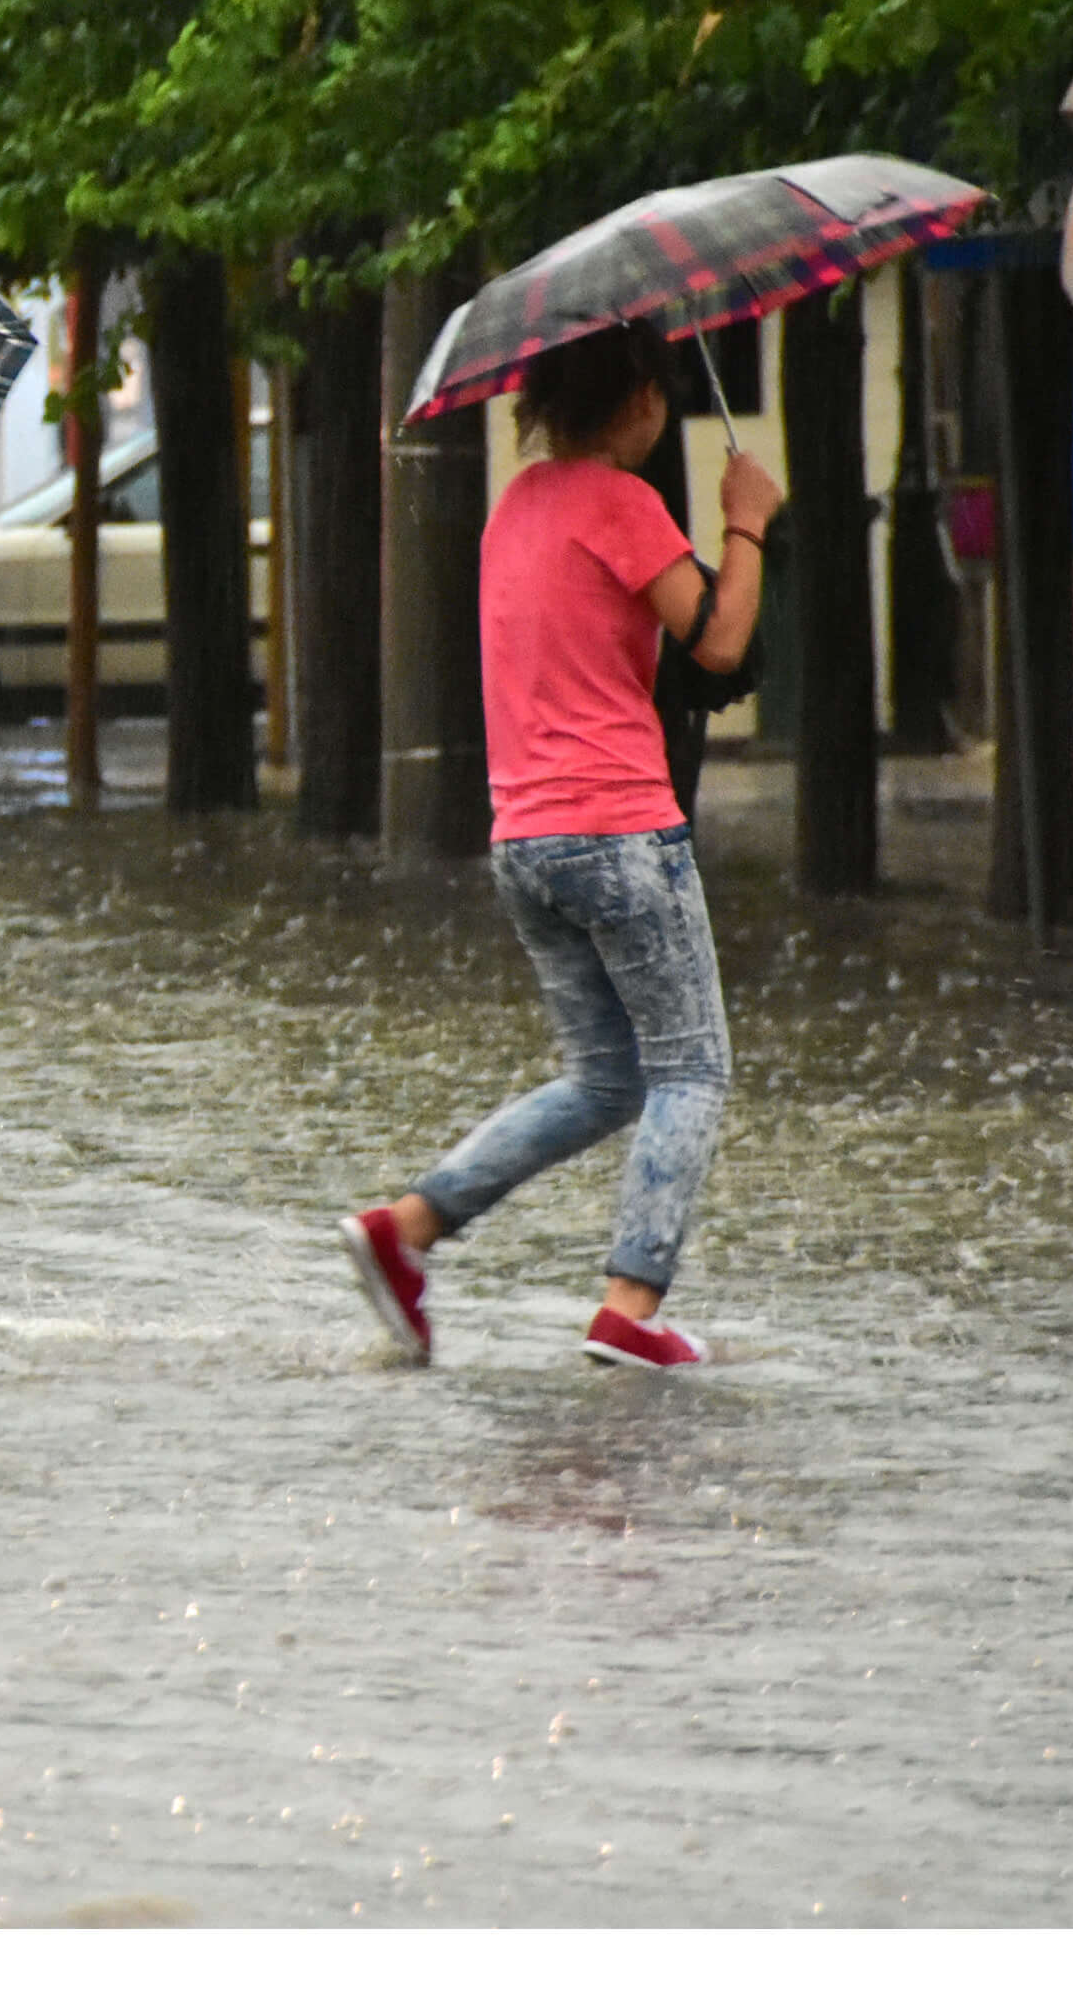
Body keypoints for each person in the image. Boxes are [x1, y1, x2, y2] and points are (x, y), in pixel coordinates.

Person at [341, 320, 784, 1371]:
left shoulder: (517, 507)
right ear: (638, 399)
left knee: (603, 1080)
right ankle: (631, 1305)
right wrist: (748, 524)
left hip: (526, 839)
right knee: (693, 1071)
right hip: (621, 825)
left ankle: (405, 1231)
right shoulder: (623, 505)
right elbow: (719, 641)